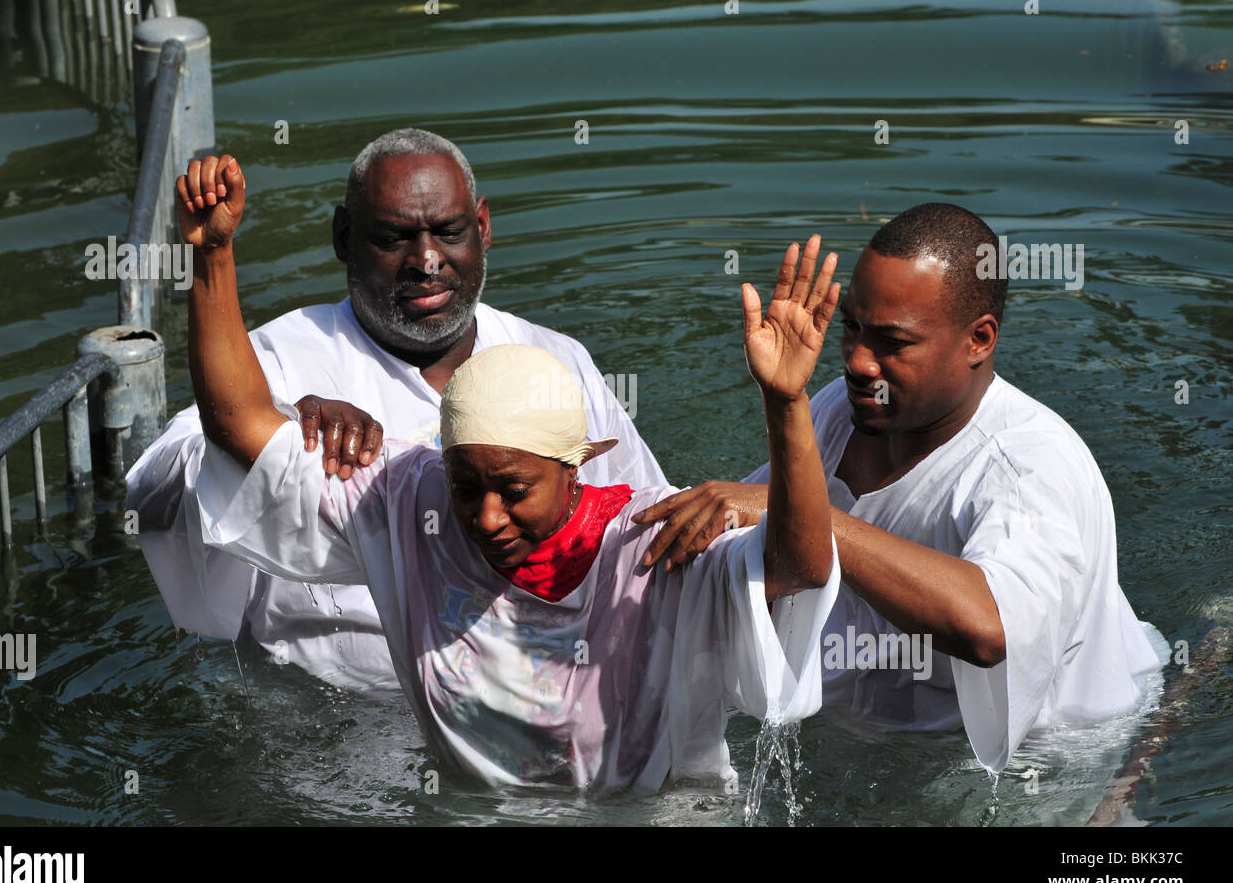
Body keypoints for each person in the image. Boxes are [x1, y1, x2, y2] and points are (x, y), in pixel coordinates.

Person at [182, 154, 842, 792]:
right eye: (467, 487)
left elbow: (803, 566)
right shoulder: (409, 501)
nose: (487, 518)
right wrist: (212, 256)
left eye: (515, 490)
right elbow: (239, 423)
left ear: (576, 468)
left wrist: (786, 404)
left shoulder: (649, 546)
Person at [632, 203, 1169, 773]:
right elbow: (762, 557)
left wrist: (804, 513)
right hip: (874, 738)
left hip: (1047, 760)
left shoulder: (1027, 467)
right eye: (852, 329)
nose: (860, 361)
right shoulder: (843, 409)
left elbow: (989, 627)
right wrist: (783, 401)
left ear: (978, 340)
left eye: (892, 341)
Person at [126, 129, 664, 692]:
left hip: (546, 703)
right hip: (327, 728)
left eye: (449, 233)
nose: (426, 260)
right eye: (393, 238)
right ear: (343, 237)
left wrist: (755, 502)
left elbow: (646, 527)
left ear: (482, 228)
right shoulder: (274, 359)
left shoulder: (555, 360)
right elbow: (151, 493)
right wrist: (284, 429)